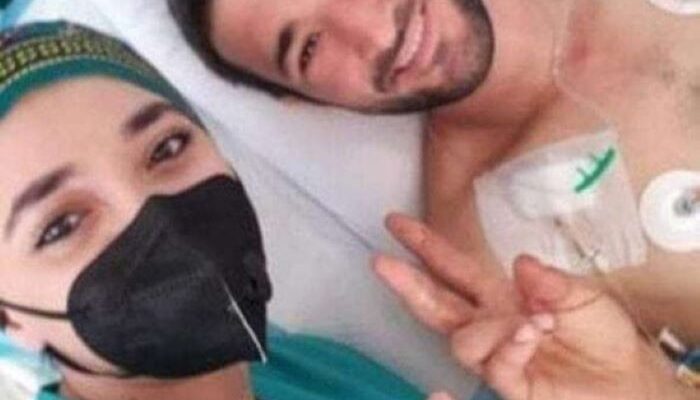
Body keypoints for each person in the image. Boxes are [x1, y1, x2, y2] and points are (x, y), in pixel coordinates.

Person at [167, 0, 700, 397]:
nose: (375, 30)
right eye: (309, 47)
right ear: (306, 102)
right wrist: (645, 387)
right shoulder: (495, 254)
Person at [0, 20, 432, 400]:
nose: (157, 218)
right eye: (61, 226)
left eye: (167, 148)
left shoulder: (319, 369)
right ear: (9, 319)